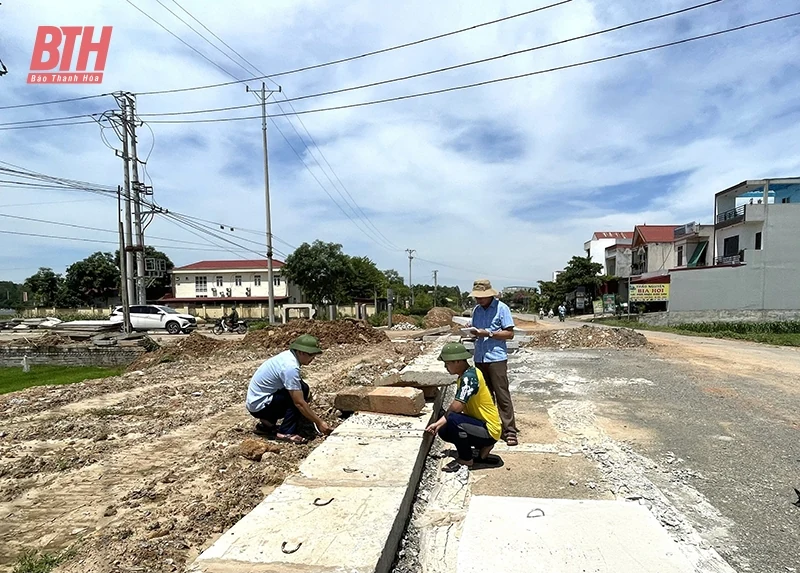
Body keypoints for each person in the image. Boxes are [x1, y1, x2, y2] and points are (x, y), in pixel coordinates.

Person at [425, 342, 502, 471]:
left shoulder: (469, 378)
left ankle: (466, 459)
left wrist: (439, 422)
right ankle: (482, 448)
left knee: (453, 420)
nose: (445, 367)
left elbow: (457, 407)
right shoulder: (466, 375)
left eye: (447, 363)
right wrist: (438, 424)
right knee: (444, 429)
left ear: (457, 361)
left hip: (489, 430)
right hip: (480, 425)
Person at [245, 334, 333, 444]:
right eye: (311, 355)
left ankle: (267, 424)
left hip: (256, 402)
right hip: (260, 406)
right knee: (297, 398)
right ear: (301, 352)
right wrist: (319, 422)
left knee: (302, 388)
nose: (313, 359)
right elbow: (299, 403)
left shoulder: (288, 356)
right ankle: (286, 432)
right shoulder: (290, 367)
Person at [466, 279, 518, 446]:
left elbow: (509, 334)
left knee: (502, 395)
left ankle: (509, 430)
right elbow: (477, 332)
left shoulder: (502, 308)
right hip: (480, 358)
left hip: (496, 359)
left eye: (481, 297)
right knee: (485, 396)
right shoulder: (476, 310)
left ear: (490, 295)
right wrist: (472, 332)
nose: (479, 300)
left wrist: (488, 333)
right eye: (477, 297)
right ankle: (488, 427)